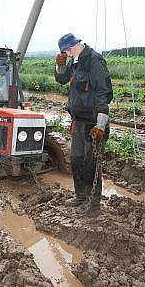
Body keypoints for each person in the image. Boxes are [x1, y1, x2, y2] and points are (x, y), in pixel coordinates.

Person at [54, 33, 113, 215]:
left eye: (67, 53)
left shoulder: (95, 61)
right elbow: (62, 80)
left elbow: (105, 93)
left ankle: (93, 204)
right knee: (77, 160)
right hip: (78, 121)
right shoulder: (76, 61)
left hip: (93, 123)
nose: (68, 55)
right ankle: (80, 196)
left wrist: (101, 125)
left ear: (71, 47)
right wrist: (61, 64)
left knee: (91, 164)